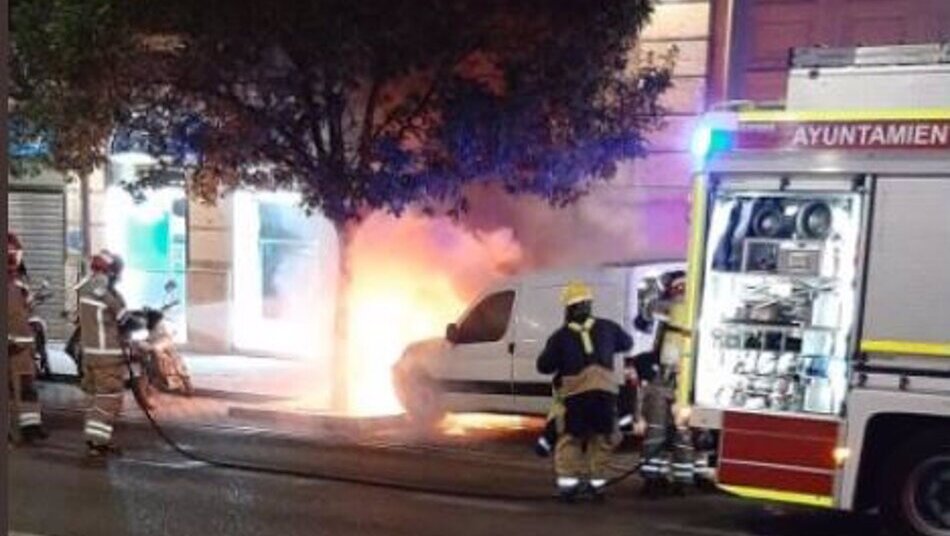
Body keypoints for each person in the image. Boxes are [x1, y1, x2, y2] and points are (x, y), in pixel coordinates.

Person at [536, 281, 634, 502]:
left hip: (576, 398)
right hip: (605, 396)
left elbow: (544, 366)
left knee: (569, 439)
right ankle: (596, 486)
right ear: (589, 305)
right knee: (601, 439)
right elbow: (627, 343)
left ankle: (568, 487)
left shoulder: (560, 336)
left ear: (568, 308)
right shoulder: (608, 327)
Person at [633, 271, 698, 497]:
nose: (678, 294)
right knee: (682, 433)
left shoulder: (669, 309)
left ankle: (654, 479)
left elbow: (643, 318)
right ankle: (683, 480)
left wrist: (649, 295)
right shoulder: (696, 312)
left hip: (665, 380)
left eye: (680, 289)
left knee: (658, 431)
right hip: (685, 382)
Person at [77, 250, 132, 460]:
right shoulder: (106, 292)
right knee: (108, 399)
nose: (119, 276)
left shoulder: (84, 287)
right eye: (117, 272)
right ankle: (97, 443)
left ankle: (95, 441)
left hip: (89, 354)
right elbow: (124, 318)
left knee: (95, 399)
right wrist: (148, 320)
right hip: (107, 355)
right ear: (110, 271)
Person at [7, 233, 48, 444]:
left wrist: (36, 325)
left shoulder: (20, 281)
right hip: (10, 348)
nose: (14, 257)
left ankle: (31, 426)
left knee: (27, 389)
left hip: (24, 347)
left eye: (15, 252)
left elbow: (23, 310)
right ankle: (14, 434)